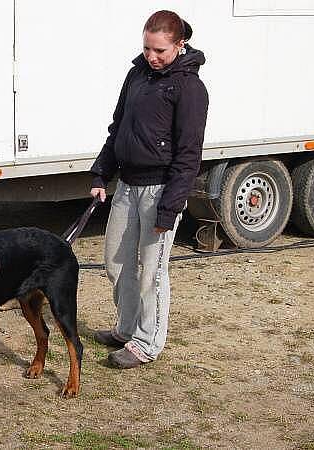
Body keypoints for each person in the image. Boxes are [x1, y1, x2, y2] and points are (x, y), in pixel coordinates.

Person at [90, 10, 209, 369]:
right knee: (115, 262)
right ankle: (126, 328)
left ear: (179, 44)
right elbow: (118, 129)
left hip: (160, 191)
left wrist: (169, 208)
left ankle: (147, 342)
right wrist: (100, 175)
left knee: (151, 272)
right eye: (147, 48)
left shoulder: (190, 88)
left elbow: (189, 155)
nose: (152, 57)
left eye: (160, 50)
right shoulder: (136, 75)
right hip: (127, 185)